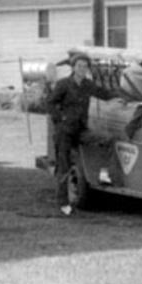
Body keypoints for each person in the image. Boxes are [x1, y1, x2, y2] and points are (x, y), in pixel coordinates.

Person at [47, 53, 119, 215]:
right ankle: (63, 203)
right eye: (79, 66)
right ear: (73, 67)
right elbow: (50, 103)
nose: (82, 69)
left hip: (81, 130)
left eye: (85, 66)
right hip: (64, 132)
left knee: (108, 139)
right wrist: (61, 118)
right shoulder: (63, 84)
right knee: (64, 167)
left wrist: (126, 94)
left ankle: (104, 173)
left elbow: (105, 94)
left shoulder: (88, 85)